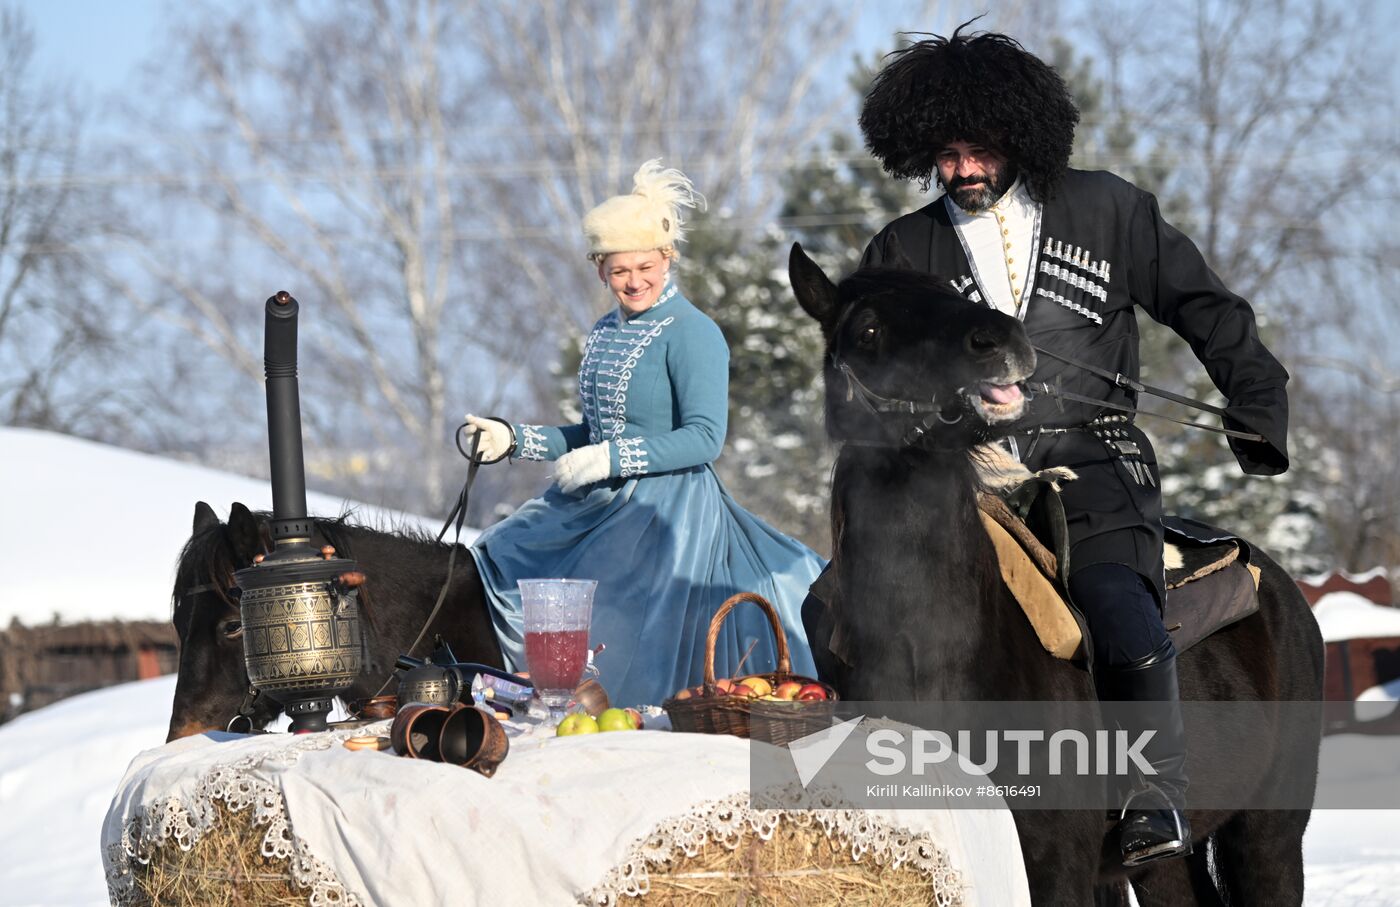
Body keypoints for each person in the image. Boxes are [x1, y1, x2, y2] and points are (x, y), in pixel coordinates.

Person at [854, 26, 1290, 865]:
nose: (963, 170)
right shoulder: (902, 250)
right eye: (946, 154)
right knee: (843, 606)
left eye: (979, 149)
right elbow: (871, 374)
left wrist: (1258, 400)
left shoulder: (1110, 208)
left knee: (1118, 607)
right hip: (963, 470)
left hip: (1094, 452)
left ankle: (1154, 796)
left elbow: (1208, 307)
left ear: (1019, 137)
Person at [461, 160, 824, 710]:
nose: (634, 281)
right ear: (599, 269)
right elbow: (592, 432)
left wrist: (610, 459)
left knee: (620, 635)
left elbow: (705, 438)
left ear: (668, 257)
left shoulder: (694, 333)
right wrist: (515, 440)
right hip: (597, 497)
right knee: (499, 555)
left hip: (666, 508)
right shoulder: (605, 330)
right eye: (619, 270)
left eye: (645, 267)